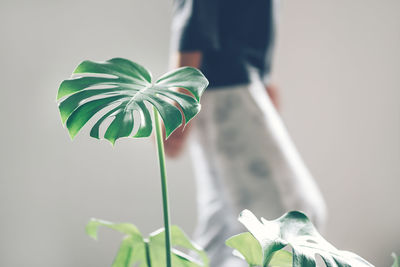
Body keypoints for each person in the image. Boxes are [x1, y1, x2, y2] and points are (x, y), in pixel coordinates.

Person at [166, 1, 327, 266]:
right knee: (290, 220)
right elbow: (197, 14)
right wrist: (180, 98)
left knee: (224, 226)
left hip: (235, 82)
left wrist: (264, 76)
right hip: (228, 83)